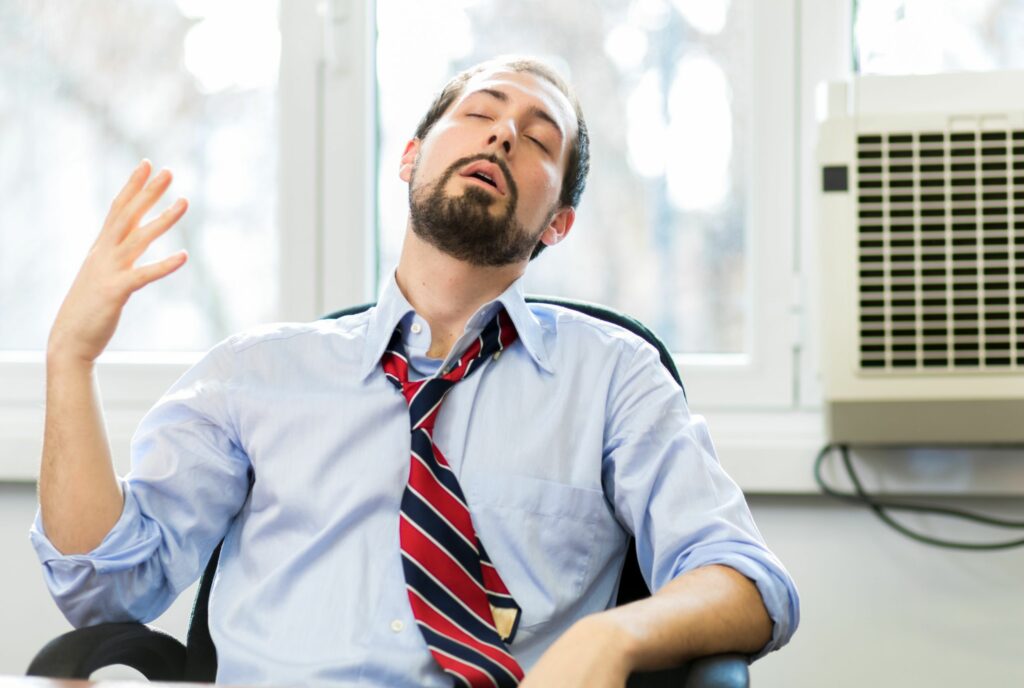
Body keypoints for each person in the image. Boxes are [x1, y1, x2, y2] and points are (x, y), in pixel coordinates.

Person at [32, 56, 799, 687]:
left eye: (539, 139)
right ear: (410, 157)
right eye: (480, 112)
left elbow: (746, 581)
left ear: (557, 225)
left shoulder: (612, 379)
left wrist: (616, 636)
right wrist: (70, 361)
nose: (504, 133)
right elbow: (105, 591)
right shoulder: (252, 374)